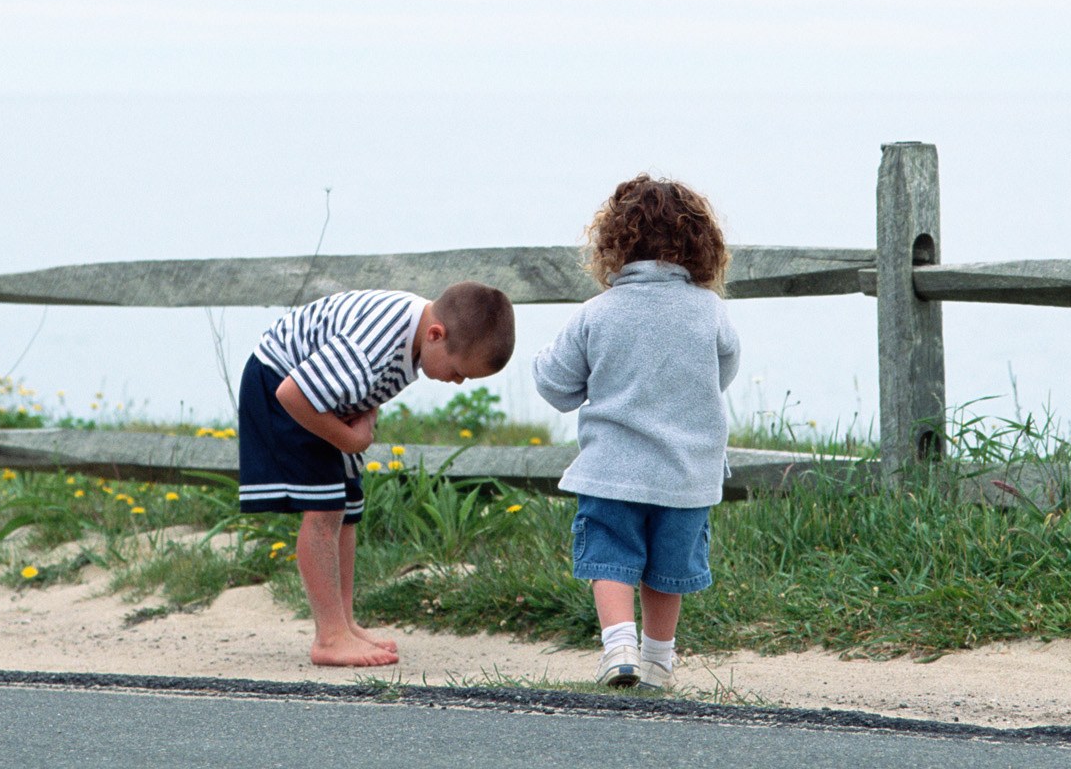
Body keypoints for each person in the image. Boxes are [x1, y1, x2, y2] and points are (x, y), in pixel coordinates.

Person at [238, 280, 515, 667]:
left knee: (348, 506)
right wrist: (351, 441)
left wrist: (364, 418)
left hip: (322, 399)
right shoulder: (374, 345)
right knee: (324, 509)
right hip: (280, 384)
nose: (457, 382)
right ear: (437, 335)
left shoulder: (416, 336)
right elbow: (292, 393)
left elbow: (366, 386)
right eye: (457, 372)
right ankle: (329, 637)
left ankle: (344, 623)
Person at [533, 174, 740, 692]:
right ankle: (658, 660)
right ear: (701, 246)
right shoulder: (710, 311)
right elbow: (724, 372)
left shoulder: (596, 314)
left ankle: (618, 645)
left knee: (611, 556)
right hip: (687, 475)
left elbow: (556, 386)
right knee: (669, 568)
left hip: (612, 473)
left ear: (612, 243)